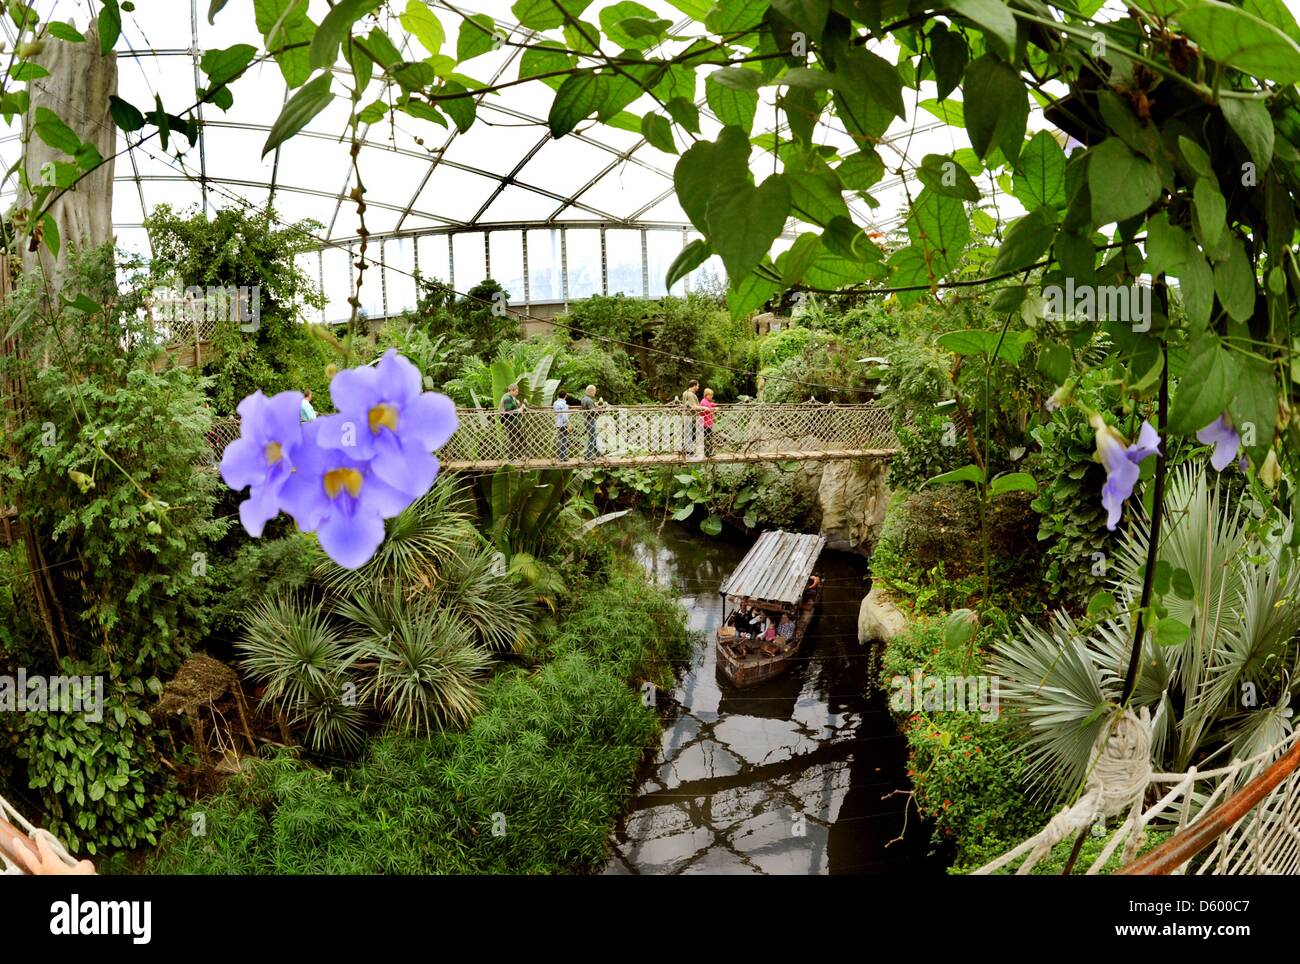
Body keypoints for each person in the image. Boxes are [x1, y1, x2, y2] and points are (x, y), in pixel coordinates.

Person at [500, 383, 527, 461]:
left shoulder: (511, 398)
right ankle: (511, 457)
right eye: (516, 391)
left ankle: (520, 455)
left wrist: (519, 405)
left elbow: (514, 408)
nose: (517, 393)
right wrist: (518, 410)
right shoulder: (507, 398)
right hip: (510, 422)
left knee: (522, 437)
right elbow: (508, 412)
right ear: (511, 390)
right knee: (513, 439)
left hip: (515, 421)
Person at [581, 384, 603, 458]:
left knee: (593, 436)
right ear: (590, 391)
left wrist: (596, 406)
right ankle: (588, 455)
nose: (595, 393)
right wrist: (600, 410)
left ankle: (597, 453)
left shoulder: (584, 399)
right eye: (594, 391)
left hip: (586, 419)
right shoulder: (589, 400)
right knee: (592, 437)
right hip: (590, 420)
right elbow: (592, 412)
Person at [680, 379, 701, 455]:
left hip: (685, 416)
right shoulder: (691, 395)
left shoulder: (685, 393)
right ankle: (689, 451)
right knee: (691, 434)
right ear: (694, 386)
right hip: (690, 417)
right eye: (698, 386)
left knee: (687, 434)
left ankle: (685, 450)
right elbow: (694, 407)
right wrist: (705, 408)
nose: (698, 388)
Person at [554, 389, 571, 461]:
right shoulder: (564, 404)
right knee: (564, 440)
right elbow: (565, 415)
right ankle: (563, 457)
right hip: (563, 423)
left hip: (558, 423)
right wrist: (569, 424)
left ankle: (561, 456)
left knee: (561, 439)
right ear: (565, 396)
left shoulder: (555, 403)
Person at [700, 387, 716, 457]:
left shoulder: (707, 402)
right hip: (705, 423)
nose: (712, 396)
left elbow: (711, 404)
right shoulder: (704, 402)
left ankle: (709, 452)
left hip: (708, 423)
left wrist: (715, 405)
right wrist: (714, 409)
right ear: (707, 395)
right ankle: (708, 453)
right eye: (711, 395)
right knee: (708, 438)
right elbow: (707, 409)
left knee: (709, 437)